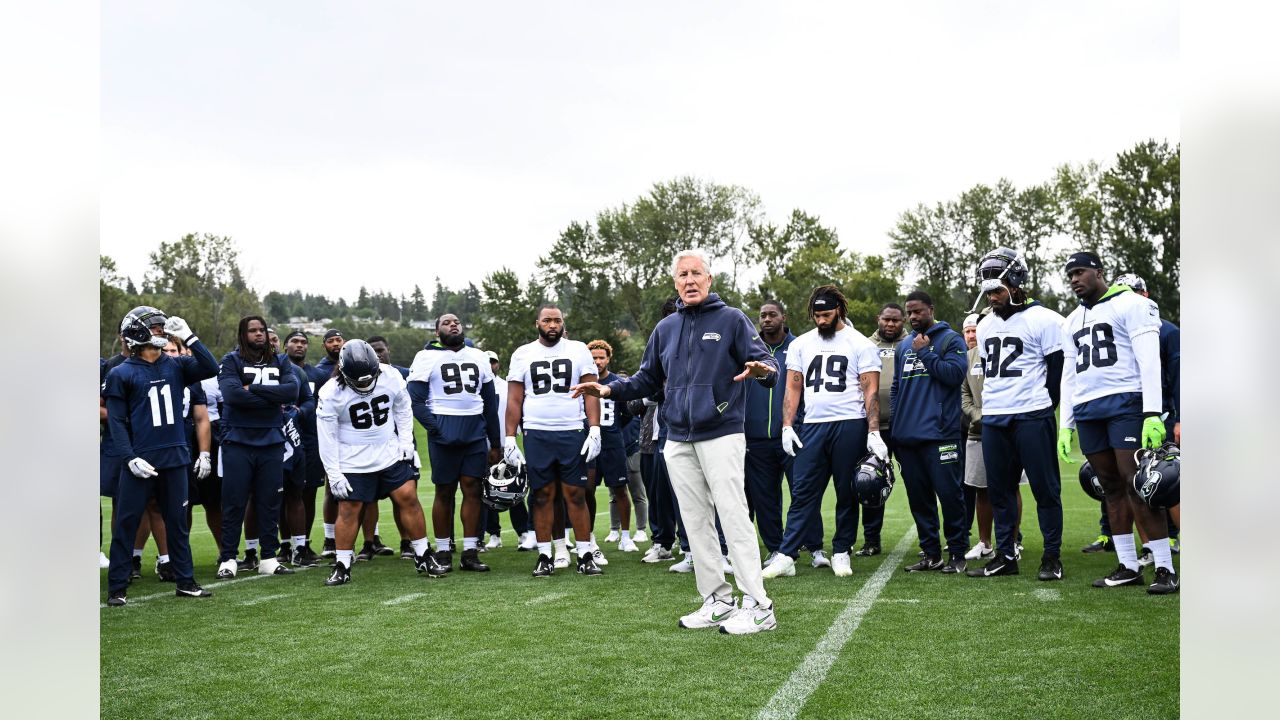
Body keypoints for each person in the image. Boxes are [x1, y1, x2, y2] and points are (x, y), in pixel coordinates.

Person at [572, 249, 779, 635]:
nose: (689, 280)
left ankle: (759, 605)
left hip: (721, 433)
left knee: (733, 516)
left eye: (696, 273)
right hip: (677, 437)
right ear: (675, 282)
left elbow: (768, 366)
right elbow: (645, 381)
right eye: (682, 274)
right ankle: (717, 599)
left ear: (709, 279)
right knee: (695, 522)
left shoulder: (732, 319)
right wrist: (605, 389)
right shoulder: (665, 329)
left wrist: (762, 370)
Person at [1058, 254, 1178, 594]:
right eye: (1069, 275)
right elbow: (1069, 374)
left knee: (1138, 484)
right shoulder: (1070, 321)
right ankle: (1127, 565)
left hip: (1126, 402)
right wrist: (1065, 423)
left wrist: (1152, 411)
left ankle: (1165, 568)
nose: (1074, 279)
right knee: (1109, 486)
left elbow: (1149, 360)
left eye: (1079, 272)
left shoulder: (1131, 304)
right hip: (1087, 408)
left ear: (1099, 272)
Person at [762, 285, 883, 581]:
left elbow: (871, 389)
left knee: (846, 491)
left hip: (849, 423)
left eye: (826, 314)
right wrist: (787, 425)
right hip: (813, 425)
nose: (821, 320)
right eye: (817, 315)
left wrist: (874, 431)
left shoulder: (860, 343)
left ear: (839, 310)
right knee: (803, 491)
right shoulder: (801, 343)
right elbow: (792, 386)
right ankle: (787, 554)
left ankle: (842, 550)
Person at [965, 247, 1068, 581]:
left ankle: (1051, 557)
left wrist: (1039, 406)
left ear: (1017, 282)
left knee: (1045, 489)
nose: (992, 297)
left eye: (998, 289)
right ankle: (1006, 554)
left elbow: (1057, 375)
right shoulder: (984, 325)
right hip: (995, 417)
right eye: (988, 291)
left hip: (1032, 415)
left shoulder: (1047, 320)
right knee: (1000, 491)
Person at [103, 307, 218, 605]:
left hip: (175, 457)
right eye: (155, 327)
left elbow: (211, 367)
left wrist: (189, 337)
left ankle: (186, 581)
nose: (161, 331)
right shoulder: (121, 373)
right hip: (139, 460)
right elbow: (115, 421)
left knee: (177, 523)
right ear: (138, 332)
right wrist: (128, 458)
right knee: (126, 524)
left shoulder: (177, 366)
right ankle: (117, 587)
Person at [317, 340, 443, 585]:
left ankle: (423, 554)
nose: (365, 384)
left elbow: (403, 408)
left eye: (368, 378)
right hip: (353, 459)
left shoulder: (390, 375)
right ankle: (342, 564)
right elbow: (327, 437)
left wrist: (406, 443)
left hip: (388, 451)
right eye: (359, 380)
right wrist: (333, 473)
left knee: (408, 497)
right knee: (349, 509)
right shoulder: (331, 392)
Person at [503, 305, 604, 577]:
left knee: (576, 494)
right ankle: (545, 555)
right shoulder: (523, 353)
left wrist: (594, 428)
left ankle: (584, 553)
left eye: (557, 320)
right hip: (537, 432)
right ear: (537, 323)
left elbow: (591, 391)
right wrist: (509, 437)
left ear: (563, 323)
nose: (552, 325)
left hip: (571, 430)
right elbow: (514, 398)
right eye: (547, 320)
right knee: (543, 496)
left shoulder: (578, 349)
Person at [407, 313, 503, 573]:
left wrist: (496, 441)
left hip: (474, 430)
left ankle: (470, 551)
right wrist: (435, 427)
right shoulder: (425, 357)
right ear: (437, 332)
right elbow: (414, 400)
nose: (453, 324)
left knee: (473, 490)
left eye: (457, 322)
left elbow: (490, 402)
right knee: (445, 491)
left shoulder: (479, 356)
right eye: (446, 322)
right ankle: (443, 550)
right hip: (443, 428)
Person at [890, 291, 970, 573]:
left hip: (941, 435)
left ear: (931, 309)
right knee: (919, 499)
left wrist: (925, 352)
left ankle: (958, 554)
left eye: (918, 312)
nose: (913, 317)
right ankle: (931, 554)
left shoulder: (951, 340)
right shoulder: (903, 347)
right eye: (909, 313)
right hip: (907, 438)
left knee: (950, 496)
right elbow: (897, 388)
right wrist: (897, 426)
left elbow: (954, 376)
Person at [215, 315, 299, 579]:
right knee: (234, 502)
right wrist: (271, 399)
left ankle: (268, 558)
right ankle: (228, 558)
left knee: (270, 501)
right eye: (253, 330)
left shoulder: (281, 360)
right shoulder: (231, 360)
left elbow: (291, 392)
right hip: (238, 440)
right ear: (243, 334)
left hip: (272, 440)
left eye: (262, 330)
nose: (259, 334)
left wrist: (253, 389)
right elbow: (232, 395)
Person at [743, 300, 803, 568]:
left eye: (772, 315)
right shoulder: (750, 349)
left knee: (802, 492)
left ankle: (813, 547)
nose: (766, 319)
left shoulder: (799, 346)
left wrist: (797, 422)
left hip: (792, 434)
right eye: (762, 315)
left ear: (783, 316)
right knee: (765, 497)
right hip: (756, 437)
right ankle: (776, 549)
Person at [584, 339, 638, 555]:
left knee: (619, 490)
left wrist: (613, 431)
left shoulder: (617, 382)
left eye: (601, 357)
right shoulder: (584, 382)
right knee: (587, 490)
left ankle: (625, 536)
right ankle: (588, 538)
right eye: (594, 357)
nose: (597, 361)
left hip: (613, 443)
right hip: (589, 443)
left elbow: (627, 414)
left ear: (608, 359)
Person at [860, 302, 906, 557]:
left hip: (905, 425)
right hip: (874, 427)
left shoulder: (912, 344)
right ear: (878, 318)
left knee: (917, 483)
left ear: (903, 321)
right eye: (886, 319)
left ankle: (927, 541)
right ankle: (871, 540)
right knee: (870, 483)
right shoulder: (865, 344)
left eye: (896, 320)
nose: (890, 324)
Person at [481, 350, 535, 551]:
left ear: (498, 364)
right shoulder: (477, 386)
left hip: (507, 445)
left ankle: (522, 531)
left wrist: (512, 438)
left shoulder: (506, 386)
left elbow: (517, 409)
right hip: (483, 445)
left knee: (513, 489)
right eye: (486, 362)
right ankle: (493, 534)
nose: (490, 365)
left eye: (493, 362)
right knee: (486, 491)